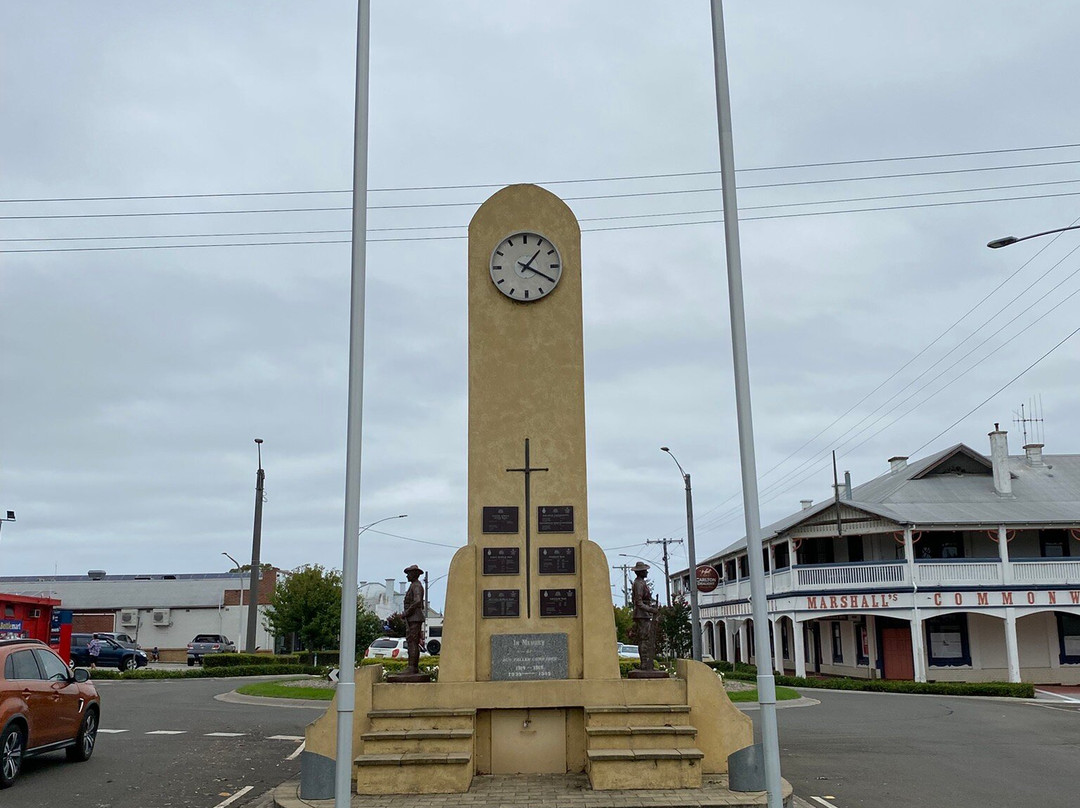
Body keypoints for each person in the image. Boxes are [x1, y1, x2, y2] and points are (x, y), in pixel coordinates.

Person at [631, 562, 660, 671]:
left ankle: (647, 663)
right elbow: (638, 602)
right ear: (641, 572)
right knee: (644, 639)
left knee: (646, 639)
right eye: (645, 570)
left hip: (644, 614)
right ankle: (644, 664)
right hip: (642, 615)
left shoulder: (641, 582)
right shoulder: (639, 583)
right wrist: (651, 609)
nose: (647, 572)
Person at [402, 564, 425, 675]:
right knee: (412, 642)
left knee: (412, 642)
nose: (407, 576)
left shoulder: (416, 586)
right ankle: (412, 666)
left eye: (409, 574)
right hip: (412, 618)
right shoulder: (413, 586)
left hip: (414, 618)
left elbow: (417, 601)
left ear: (414, 574)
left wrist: (407, 612)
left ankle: (412, 667)